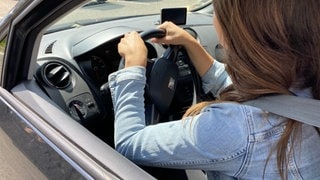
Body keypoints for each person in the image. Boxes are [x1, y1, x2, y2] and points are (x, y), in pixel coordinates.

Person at [108, 0, 320, 179]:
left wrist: (133, 68)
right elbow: (254, 95)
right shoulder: (305, 83)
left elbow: (129, 143)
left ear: (237, 32)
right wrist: (190, 43)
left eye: (217, 11)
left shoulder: (235, 128)